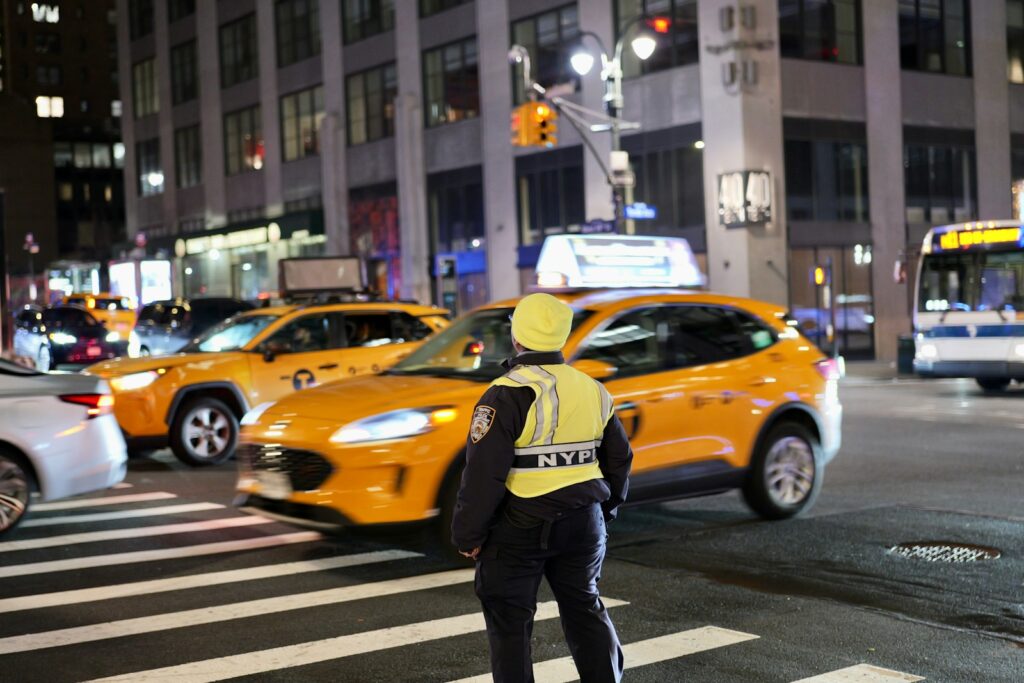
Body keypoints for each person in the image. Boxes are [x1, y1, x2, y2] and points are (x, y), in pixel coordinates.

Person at [452, 293, 634, 683]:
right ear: (561, 337)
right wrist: (605, 511)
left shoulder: (505, 394)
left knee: (510, 624)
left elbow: (484, 474)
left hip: (519, 526)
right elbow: (619, 458)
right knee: (585, 609)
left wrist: (469, 535)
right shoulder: (593, 390)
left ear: (516, 337)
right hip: (584, 520)